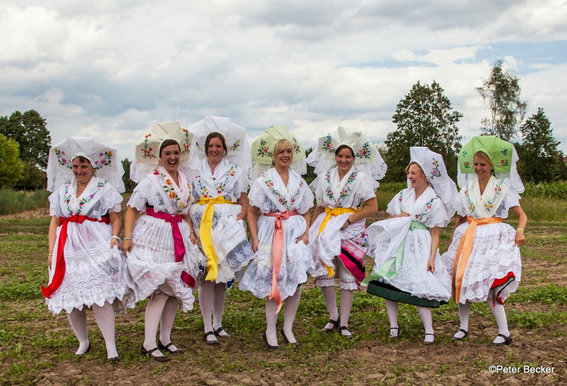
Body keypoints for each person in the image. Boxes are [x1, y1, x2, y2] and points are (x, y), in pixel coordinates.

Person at [42, 137, 135, 362]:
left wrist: (114, 236)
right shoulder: (62, 191)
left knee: (99, 295)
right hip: (68, 247)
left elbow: (115, 217)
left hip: (95, 243)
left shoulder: (104, 188)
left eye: (84, 166)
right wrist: (51, 251)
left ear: (93, 167)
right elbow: (55, 222)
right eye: (75, 166)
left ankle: (110, 345)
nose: (79, 170)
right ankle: (83, 341)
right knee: (72, 296)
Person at [123, 122, 205, 362]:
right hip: (155, 235)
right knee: (160, 290)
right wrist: (127, 237)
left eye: (176, 153)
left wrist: (190, 231)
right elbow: (131, 209)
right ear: (159, 156)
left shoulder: (185, 180)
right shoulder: (151, 180)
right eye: (168, 153)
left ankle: (166, 338)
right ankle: (148, 342)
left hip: (177, 235)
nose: (172, 157)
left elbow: (186, 211)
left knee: (173, 291)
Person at [363, 147, 459, 343]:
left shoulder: (433, 199)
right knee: (390, 281)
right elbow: (391, 218)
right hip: (399, 242)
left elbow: (435, 232)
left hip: (420, 244)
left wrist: (432, 257)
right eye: (408, 173)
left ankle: (429, 330)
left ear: (424, 175)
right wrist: (398, 216)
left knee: (420, 281)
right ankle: (393, 326)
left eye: (413, 172)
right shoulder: (402, 195)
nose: (410, 176)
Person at [443, 136, 527, 345]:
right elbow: (462, 216)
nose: (479, 168)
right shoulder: (467, 190)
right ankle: (463, 326)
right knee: (462, 280)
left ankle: (504, 331)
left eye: (483, 164)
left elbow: (521, 215)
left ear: (491, 166)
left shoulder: (502, 189)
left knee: (492, 283)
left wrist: (520, 230)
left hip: (492, 238)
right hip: (470, 236)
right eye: (476, 164)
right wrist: (455, 238)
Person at [307, 128, 386, 338]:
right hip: (327, 225)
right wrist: (311, 230)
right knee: (325, 271)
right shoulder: (325, 177)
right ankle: (333, 316)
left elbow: (372, 206)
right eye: (340, 156)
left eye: (348, 156)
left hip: (350, 227)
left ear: (354, 158)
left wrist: (349, 219)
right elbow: (320, 205)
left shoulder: (360, 179)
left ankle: (344, 321)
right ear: (335, 157)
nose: (344, 160)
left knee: (347, 273)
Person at [240, 136, 314, 348]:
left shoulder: (299, 181)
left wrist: (306, 233)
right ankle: (270, 329)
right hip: (271, 232)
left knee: (296, 282)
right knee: (275, 281)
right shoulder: (263, 182)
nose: (285, 155)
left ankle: (288, 327)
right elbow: (252, 213)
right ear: (274, 156)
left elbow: (307, 211)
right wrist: (254, 238)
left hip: (294, 234)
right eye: (281, 152)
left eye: (289, 152)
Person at [189, 129, 253, 345]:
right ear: (205, 148)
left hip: (226, 225)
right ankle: (207, 325)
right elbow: (189, 199)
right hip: (202, 225)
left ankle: (218, 322)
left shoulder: (235, 171)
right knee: (208, 274)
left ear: (225, 150)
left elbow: (243, 198)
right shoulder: (195, 171)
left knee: (221, 277)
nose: (214, 149)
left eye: (218, 146)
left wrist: (240, 217)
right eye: (211, 146)